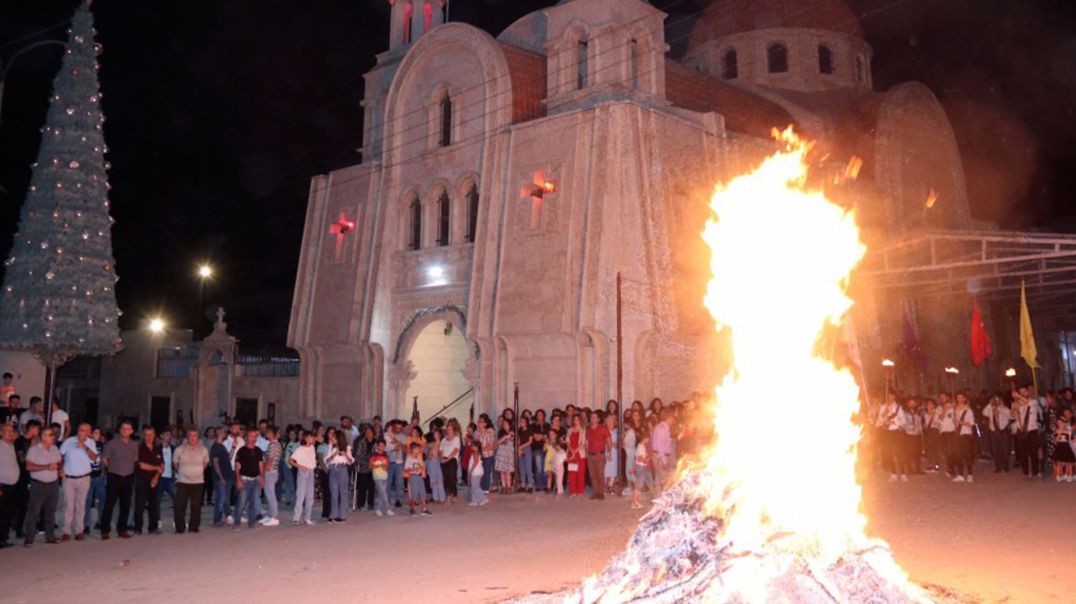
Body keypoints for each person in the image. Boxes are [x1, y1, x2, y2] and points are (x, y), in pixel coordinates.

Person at [23, 426, 62, 546]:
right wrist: (46, 467)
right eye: (50, 434)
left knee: (50, 511)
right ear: (43, 436)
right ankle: (29, 538)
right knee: (34, 511)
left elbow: (59, 463)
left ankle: (50, 536)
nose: (52, 437)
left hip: (53, 483)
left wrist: (59, 468)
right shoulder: (34, 449)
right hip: (38, 484)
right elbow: (28, 467)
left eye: (52, 435)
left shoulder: (55, 448)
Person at [100, 421, 138, 540]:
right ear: (119, 430)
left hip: (128, 477)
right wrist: (111, 469)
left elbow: (135, 459)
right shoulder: (112, 443)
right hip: (114, 476)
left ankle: (122, 529)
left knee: (125, 505)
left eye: (128, 429)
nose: (125, 431)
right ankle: (105, 530)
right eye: (123, 428)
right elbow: (105, 459)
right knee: (109, 504)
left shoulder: (134, 444)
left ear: (132, 431)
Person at [59, 422, 96, 541]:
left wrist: (84, 446)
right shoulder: (68, 441)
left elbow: (94, 458)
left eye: (85, 430)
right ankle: (66, 531)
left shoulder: (91, 442)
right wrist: (60, 469)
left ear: (89, 432)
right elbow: (60, 456)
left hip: (84, 478)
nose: (82, 432)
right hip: (69, 478)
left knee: (81, 505)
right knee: (68, 505)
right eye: (80, 429)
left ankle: (79, 530)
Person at [173, 428, 209, 534]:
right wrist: (185, 472)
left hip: (198, 482)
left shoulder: (203, 449)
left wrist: (196, 471)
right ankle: (180, 528)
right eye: (190, 435)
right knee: (180, 506)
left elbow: (205, 463)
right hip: (183, 481)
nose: (193, 438)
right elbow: (175, 464)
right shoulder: (179, 449)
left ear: (198, 437)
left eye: (195, 436)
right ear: (187, 437)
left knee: (196, 506)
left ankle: (194, 527)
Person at [133, 426, 164, 534]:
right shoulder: (139, 448)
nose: (149, 437)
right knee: (140, 505)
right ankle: (138, 528)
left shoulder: (158, 448)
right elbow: (141, 465)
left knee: (154, 504)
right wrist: (156, 468)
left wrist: (156, 477)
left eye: (151, 434)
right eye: (146, 434)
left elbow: (162, 465)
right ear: (143, 435)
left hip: (155, 480)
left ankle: (153, 527)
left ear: (154, 435)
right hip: (142, 480)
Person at [233, 428, 264, 530]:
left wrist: (262, 478)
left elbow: (261, 465)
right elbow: (237, 466)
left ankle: (251, 522)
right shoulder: (242, 450)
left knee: (254, 502)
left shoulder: (258, 450)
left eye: (255, 436)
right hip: (245, 480)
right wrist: (238, 479)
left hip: (256, 479)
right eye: (251, 436)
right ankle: (237, 522)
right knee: (241, 503)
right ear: (246, 437)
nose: (253, 438)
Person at [1012, 386, 1043, 478]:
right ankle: (1026, 471)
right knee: (1023, 452)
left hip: (1031, 430)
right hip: (1021, 431)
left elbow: (1027, 402)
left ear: (1028, 393)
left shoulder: (1033, 402)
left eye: (1024, 392)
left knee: (1034, 452)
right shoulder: (1016, 403)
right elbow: (1013, 416)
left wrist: (1017, 396)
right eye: (1020, 392)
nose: (1022, 393)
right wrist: (1014, 408)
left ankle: (1035, 471)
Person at [325, 429, 353, 523]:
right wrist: (333, 452)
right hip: (333, 469)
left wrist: (344, 454)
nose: (332, 438)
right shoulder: (330, 447)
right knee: (334, 493)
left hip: (342, 469)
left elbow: (351, 461)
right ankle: (333, 514)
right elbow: (327, 461)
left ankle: (342, 515)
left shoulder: (347, 447)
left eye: (334, 437)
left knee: (343, 492)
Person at [290, 430, 317, 525]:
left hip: (311, 471)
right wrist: (300, 466)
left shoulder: (313, 447)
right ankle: (296, 517)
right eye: (311, 437)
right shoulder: (300, 449)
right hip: (303, 472)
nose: (313, 439)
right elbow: (291, 461)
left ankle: (307, 517)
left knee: (310, 496)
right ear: (306, 438)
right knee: (301, 495)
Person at [83, 427, 106, 535]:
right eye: (95, 433)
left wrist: (103, 471)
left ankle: (100, 522)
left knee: (102, 500)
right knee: (88, 501)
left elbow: (102, 459)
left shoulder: (101, 445)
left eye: (99, 433)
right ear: (90, 434)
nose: (97, 435)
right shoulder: (86, 444)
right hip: (89, 476)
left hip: (99, 476)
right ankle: (86, 525)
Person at [0, 424, 20, 548]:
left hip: (12, 485)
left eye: (11, 431)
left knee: (7, 513)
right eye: (6, 431)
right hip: (2, 485)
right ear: (1, 433)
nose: (10, 433)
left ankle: (3, 538)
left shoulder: (11, 445)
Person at [209, 429, 234, 526]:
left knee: (225, 498)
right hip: (221, 476)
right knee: (221, 498)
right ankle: (217, 519)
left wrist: (233, 449)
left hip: (227, 475)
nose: (225, 433)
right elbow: (215, 463)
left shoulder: (221, 445)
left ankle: (226, 516)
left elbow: (227, 458)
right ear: (219, 433)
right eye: (223, 432)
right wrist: (221, 477)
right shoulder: (216, 447)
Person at [260, 426, 283, 527]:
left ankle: (274, 516)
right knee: (268, 493)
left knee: (270, 494)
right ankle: (270, 515)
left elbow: (270, 459)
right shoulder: (273, 444)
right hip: (272, 471)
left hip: (270, 471)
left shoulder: (274, 444)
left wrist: (263, 473)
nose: (266, 433)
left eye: (268, 432)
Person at [983, 395, 1012, 473]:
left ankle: (1005, 467)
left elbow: (1011, 416)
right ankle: (998, 467)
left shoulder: (1005, 409)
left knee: (1004, 450)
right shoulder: (990, 408)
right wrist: (989, 404)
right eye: (994, 400)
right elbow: (984, 413)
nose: (995, 401)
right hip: (993, 431)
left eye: (997, 399)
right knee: (995, 450)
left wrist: (1000, 410)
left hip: (1003, 431)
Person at [952, 393, 976, 483]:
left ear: (965, 399)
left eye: (961, 397)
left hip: (966, 434)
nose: (959, 399)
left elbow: (971, 423)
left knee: (967, 455)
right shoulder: (956, 409)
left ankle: (970, 474)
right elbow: (955, 423)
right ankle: (961, 474)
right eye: (957, 397)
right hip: (958, 434)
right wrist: (955, 423)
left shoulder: (968, 410)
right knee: (958, 455)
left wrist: (960, 422)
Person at [585, 411, 610, 500]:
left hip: (600, 455)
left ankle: (601, 493)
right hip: (590, 455)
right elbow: (587, 442)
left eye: (595, 417)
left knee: (600, 474)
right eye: (591, 417)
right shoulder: (588, 429)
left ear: (599, 419)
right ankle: (596, 492)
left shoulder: (603, 428)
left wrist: (610, 452)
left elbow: (608, 441)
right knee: (593, 475)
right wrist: (587, 454)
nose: (593, 419)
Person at [403, 442, 430, 516]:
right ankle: (412, 508)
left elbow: (423, 466)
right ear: (413, 449)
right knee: (414, 493)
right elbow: (405, 469)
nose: (419, 450)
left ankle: (424, 509)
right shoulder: (409, 458)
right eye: (417, 448)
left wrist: (420, 463)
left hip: (419, 476)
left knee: (423, 492)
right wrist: (412, 469)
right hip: (413, 476)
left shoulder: (419, 457)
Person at [368, 438, 393, 517]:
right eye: (380, 445)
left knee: (381, 493)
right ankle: (388, 508)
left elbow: (387, 466)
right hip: (377, 476)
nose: (381, 447)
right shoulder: (374, 455)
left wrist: (384, 466)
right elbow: (370, 466)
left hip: (384, 476)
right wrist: (379, 465)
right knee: (383, 493)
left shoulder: (386, 455)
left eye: (383, 445)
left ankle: (378, 509)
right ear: (377, 446)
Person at [354, 425, 375, 511]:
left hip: (374, 467)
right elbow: (358, 455)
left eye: (370, 433)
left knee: (372, 487)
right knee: (362, 487)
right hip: (363, 467)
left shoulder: (376, 442)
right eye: (367, 433)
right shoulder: (361, 442)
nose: (369, 434)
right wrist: (366, 460)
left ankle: (371, 503)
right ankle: (360, 504)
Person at [1051, 408, 1074, 482]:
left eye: (1062, 423)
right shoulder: (1057, 431)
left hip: (1067, 447)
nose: (1061, 425)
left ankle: (1069, 475)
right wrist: (1060, 433)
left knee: (1069, 462)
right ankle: (1058, 475)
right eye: (1059, 423)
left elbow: (1070, 439)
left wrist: (1067, 432)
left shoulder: (1068, 431)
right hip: (1059, 448)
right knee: (1059, 462)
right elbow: (1056, 441)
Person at [632, 430, 654, 509]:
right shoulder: (641, 446)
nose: (648, 440)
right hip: (641, 467)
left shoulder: (641, 446)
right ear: (645, 438)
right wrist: (649, 458)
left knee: (649, 482)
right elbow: (640, 459)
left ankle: (652, 498)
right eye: (648, 438)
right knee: (638, 485)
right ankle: (634, 502)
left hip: (643, 467)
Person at [440, 423, 460, 505]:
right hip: (444, 459)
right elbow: (440, 450)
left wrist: (447, 459)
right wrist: (441, 457)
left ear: (454, 430)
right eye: (447, 429)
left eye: (450, 429)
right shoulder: (444, 439)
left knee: (452, 478)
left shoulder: (456, 439)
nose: (449, 431)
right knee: (446, 479)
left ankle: (454, 494)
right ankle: (448, 497)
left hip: (452, 460)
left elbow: (455, 450)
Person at [566, 414, 586, 497]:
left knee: (580, 473)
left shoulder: (583, 430)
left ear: (580, 420)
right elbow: (567, 441)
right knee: (572, 473)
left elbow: (583, 443)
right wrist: (571, 450)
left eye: (577, 419)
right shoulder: (570, 430)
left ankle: (580, 491)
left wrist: (575, 451)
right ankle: (572, 491)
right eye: (574, 419)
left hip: (580, 453)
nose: (576, 421)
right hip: (571, 453)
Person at [494, 418, 516, 494]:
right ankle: (504, 486)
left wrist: (510, 435)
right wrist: (505, 437)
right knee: (502, 472)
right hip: (501, 453)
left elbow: (515, 439)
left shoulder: (513, 432)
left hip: (509, 454)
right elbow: (498, 442)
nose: (504, 425)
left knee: (508, 472)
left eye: (506, 424)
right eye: (503, 424)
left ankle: (509, 486)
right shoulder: (501, 433)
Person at [476, 415, 496, 493]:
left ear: (485, 424)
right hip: (479, 456)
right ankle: (481, 487)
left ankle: (486, 488)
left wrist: (481, 449)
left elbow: (491, 446)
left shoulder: (488, 433)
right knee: (480, 472)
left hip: (488, 456)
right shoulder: (476, 433)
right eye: (478, 422)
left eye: (481, 422)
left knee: (486, 472)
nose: (479, 423)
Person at [466, 440, 487, 507]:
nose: (471, 447)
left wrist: (471, 471)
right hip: (478, 472)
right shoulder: (477, 453)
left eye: (473, 446)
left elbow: (475, 462)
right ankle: (474, 500)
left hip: (476, 472)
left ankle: (483, 498)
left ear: (476, 447)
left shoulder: (475, 453)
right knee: (473, 486)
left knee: (475, 487)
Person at [427, 429, 445, 504]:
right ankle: (435, 497)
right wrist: (429, 456)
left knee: (439, 480)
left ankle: (442, 498)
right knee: (433, 480)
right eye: (434, 434)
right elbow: (428, 453)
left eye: (437, 434)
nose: (435, 435)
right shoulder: (431, 444)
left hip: (438, 462)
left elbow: (442, 453)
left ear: (440, 435)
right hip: (431, 462)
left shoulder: (442, 443)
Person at [517, 416, 534, 493]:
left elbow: (530, 441)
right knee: (521, 467)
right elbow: (518, 440)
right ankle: (523, 484)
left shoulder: (529, 430)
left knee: (528, 467)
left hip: (527, 448)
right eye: (520, 422)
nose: (521, 423)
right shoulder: (519, 431)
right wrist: (518, 448)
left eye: (523, 422)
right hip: (520, 449)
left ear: (527, 423)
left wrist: (521, 447)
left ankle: (530, 484)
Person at [604, 413, 619, 494]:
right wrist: (609, 444)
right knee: (605, 470)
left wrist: (614, 444)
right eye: (608, 420)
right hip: (606, 451)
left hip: (614, 452)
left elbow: (619, 442)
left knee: (613, 470)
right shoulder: (603, 430)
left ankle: (611, 486)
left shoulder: (617, 431)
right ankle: (604, 486)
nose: (610, 421)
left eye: (612, 420)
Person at [550, 432, 567, 497]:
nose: (556, 447)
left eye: (557, 446)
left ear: (560, 446)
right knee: (557, 481)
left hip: (560, 468)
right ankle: (561, 491)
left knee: (559, 481)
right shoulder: (556, 452)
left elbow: (565, 459)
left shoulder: (562, 452)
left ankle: (559, 493)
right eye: (555, 446)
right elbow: (554, 459)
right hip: (556, 468)